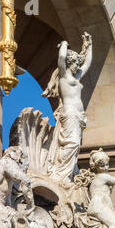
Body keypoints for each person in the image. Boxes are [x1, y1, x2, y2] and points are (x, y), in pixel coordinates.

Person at [43, 32, 93, 183]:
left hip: (79, 116)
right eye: (75, 63)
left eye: (78, 63)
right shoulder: (64, 76)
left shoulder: (76, 77)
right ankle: (60, 176)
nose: (78, 66)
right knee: (71, 144)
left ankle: (68, 175)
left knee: (75, 146)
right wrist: (64, 44)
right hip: (70, 114)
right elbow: (61, 59)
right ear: (69, 63)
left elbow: (87, 64)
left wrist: (89, 46)